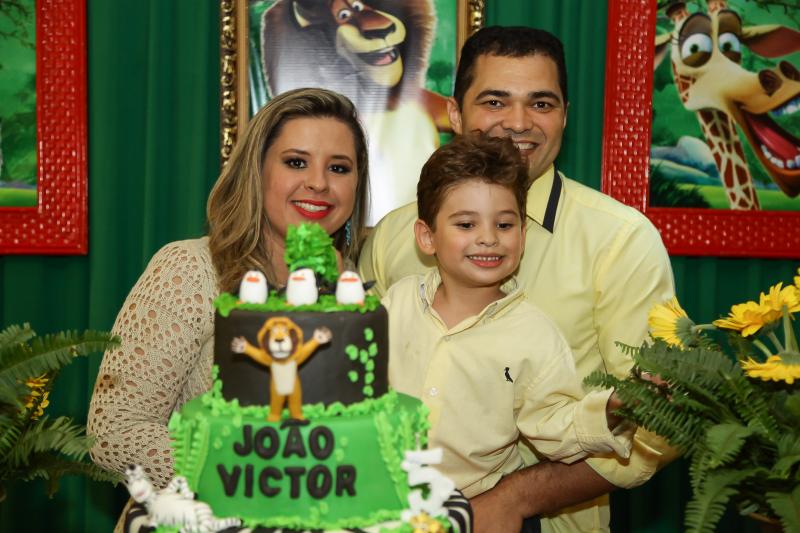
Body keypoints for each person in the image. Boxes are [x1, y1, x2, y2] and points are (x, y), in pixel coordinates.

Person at [359, 27, 676, 533]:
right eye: (495, 101)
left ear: (565, 115)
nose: (519, 122)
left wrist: (515, 499)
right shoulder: (396, 235)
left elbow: (662, 427)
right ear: (455, 113)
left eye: (541, 103)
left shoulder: (620, 241)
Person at [87, 87, 370, 491]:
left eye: (339, 168)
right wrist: (248, 478)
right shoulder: (190, 271)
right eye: (296, 162)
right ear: (257, 171)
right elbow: (114, 433)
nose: (318, 183)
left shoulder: (354, 291)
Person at [384, 134, 635, 503]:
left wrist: (609, 412)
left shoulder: (534, 335)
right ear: (427, 236)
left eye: (504, 225)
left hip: (472, 510)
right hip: (382, 505)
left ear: (522, 233)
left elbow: (554, 423)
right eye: (466, 225)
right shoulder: (398, 301)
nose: (488, 238)